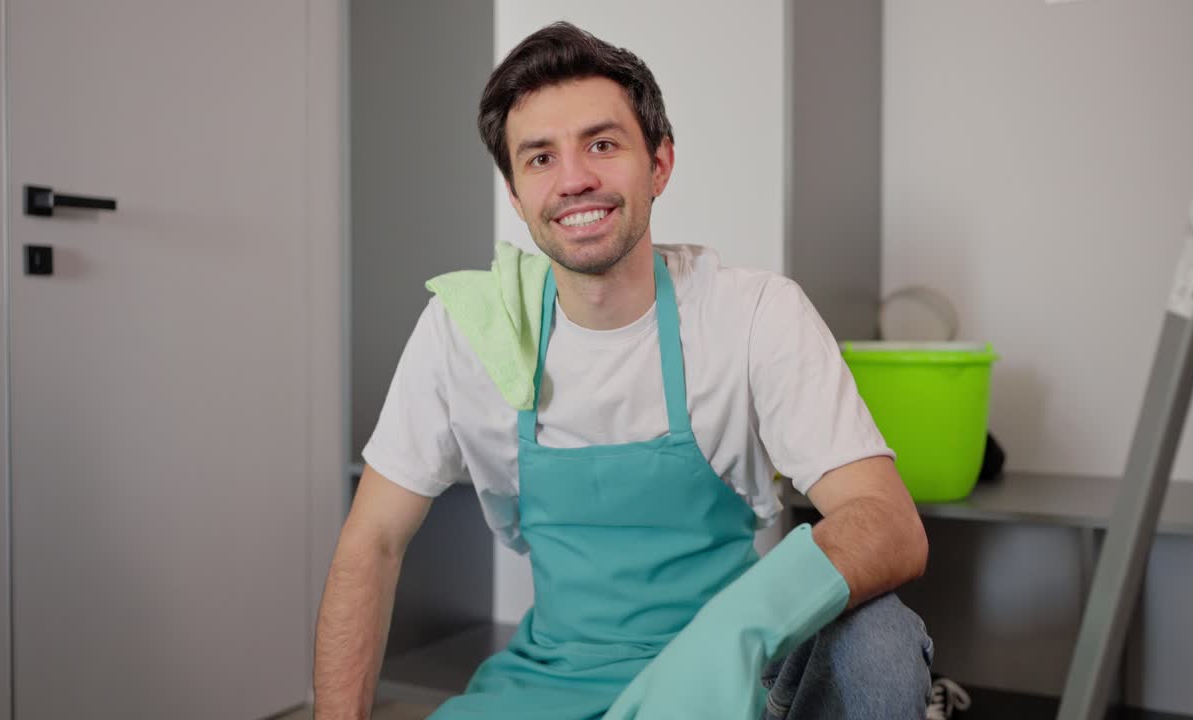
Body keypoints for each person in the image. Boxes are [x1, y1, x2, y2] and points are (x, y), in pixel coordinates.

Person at [314, 21, 933, 720]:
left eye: (602, 145)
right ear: (515, 195)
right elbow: (372, 543)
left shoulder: (753, 313)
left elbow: (889, 522)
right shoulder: (471, 332)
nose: (574, 179)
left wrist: (735, 630)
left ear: (659, 163)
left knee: (882, 637)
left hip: (737, 681)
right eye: (540, 158)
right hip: (551, 685)